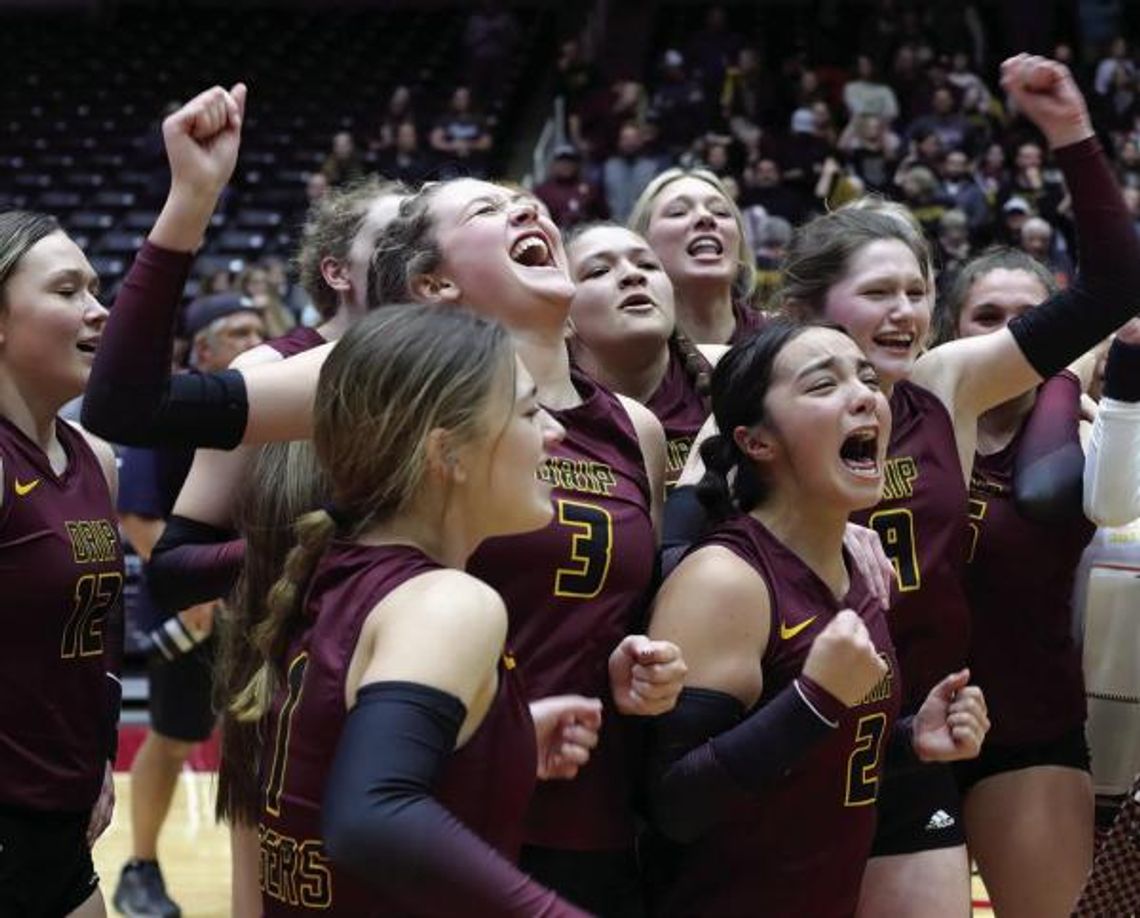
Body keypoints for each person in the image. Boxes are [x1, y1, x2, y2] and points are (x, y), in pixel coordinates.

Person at [665, 54, 1140, 917]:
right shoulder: (757, 394)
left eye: (918, 292)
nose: (906, 313)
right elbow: (682, 538)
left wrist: (1070, 133)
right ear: (809, 309)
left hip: (940, 715)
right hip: (809, 716)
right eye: (878, 292)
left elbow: (1114, 284)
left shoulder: (943, 380)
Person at [368, 179, 686, 915]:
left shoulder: (633, 427)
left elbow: (626, 602)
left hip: (598, 807)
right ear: (435, 281)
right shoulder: (414, 415)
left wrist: (638, 660)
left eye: (530, 201)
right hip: (454, 803)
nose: (528, 209)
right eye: (488, 209)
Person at [237, 303, 597, 915]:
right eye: (531, 411)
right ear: (448, 454)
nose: (556, 433)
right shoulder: (449, 603)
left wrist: (495, 740)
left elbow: (342, 763)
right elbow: (371, 816)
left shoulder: (333, 570)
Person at [645, 321, 987, 917]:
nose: (864, 395)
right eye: (823, 384)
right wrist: (816, 699)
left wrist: (905, 741)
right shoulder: (725, 580)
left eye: (867, 378)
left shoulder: (855, 567)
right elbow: (675, 807)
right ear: (756, 442)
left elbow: (803, 767)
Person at [933, 248, 1096, 917]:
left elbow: (1045, 492)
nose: (1011, 334)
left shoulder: (1089, 438)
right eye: (988, 317)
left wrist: (1069, 379)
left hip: (1029, 730)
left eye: (1032, 319)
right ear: (952, 332)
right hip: (897, 733)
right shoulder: (906, 423)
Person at [112, 292, 266, 918]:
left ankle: (256, 883)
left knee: (256, 741)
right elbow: (139, 518)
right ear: (203, 348)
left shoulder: (273, 404)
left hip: (256, 605)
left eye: (261, 326)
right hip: (191, 607)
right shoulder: (173, 407)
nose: (257, 337)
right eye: (239, 330)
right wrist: (198, 593)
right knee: (175, 738)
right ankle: (139, 864)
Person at [0, 210, 120, 916]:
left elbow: (101, 633)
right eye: (68, 290)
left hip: (63, 823)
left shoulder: (92, 459)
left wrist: (99, 755)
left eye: (95, 289)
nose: (97, 310)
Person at [565, 222, 721, 486]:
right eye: (599, 271)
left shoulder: (731, 377)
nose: (633, 275)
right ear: (561, 313)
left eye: (648, 265)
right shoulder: (537, 415)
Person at [629, 168, 763, 347]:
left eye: (721, 212)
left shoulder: (783, 345)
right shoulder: (615, 354)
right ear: (643, 244)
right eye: (678, 212)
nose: (706, 216)